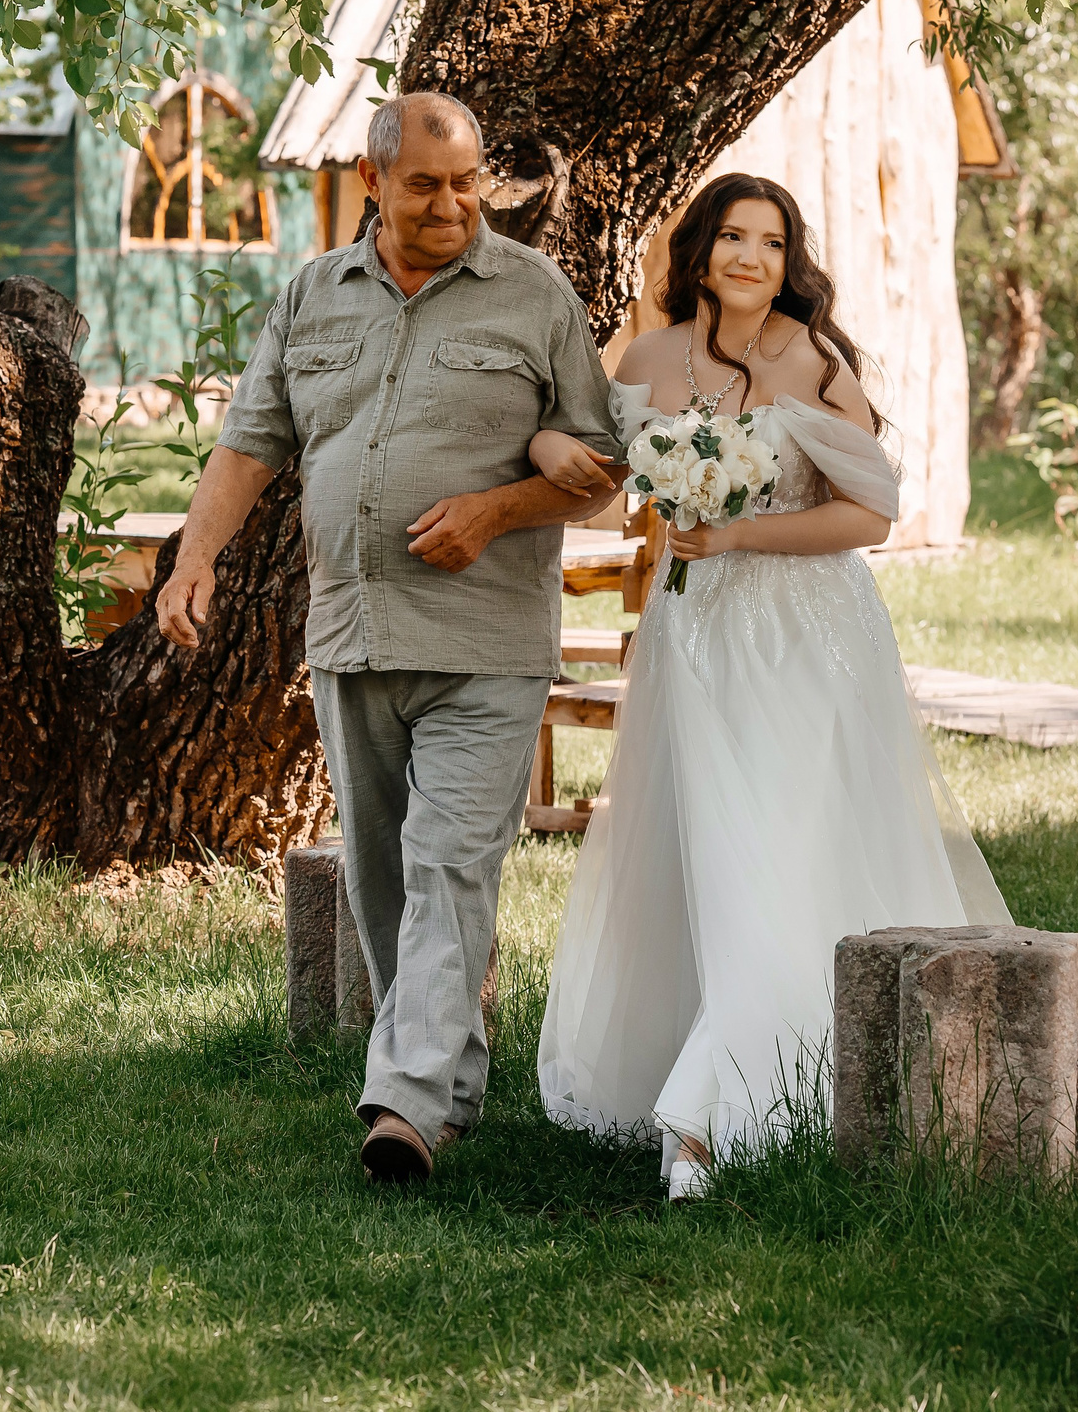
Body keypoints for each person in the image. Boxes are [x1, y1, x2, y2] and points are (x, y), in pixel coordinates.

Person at [156, 92, 620, 1183]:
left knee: (448, 862)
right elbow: (250, 440)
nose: (452, 203)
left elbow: (598, 465)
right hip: (352, 631)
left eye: (466, 183)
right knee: (382, 880)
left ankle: (403, 1103)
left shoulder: (535, 293)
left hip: (486, 638)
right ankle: (447, 1086)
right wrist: (194, 556)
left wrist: (495, 510)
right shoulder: (313, 294)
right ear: (372, 180)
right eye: (425, 185)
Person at [526, 172, 1017, 1199]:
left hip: (808, 632)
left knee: (786, 843)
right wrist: (549, 443)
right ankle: (712, 1065)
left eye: (773, 241)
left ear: (790, 260)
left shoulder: (816, 359)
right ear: (699, 250)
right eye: (733, 236)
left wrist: (741, 533)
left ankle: (711, 1114)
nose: (752, 257)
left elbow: (868, 514)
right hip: (694, 631)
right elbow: (601, 469)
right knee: (710, 847)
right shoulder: (649, 355)